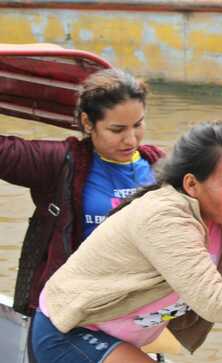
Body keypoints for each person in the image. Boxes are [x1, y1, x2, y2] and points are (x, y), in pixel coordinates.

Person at [31, 121, 222, 362]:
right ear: (191, 184)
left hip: (129, 336)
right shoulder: (164, 218)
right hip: (69, 332)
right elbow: (217, 302)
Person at [0, 68, 163, 317]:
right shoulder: (59, 162)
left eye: (138, 125)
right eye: (117, 130)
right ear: (88, 123)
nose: (131, 140)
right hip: (69, 310)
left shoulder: (160, 165)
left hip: (134, 309)